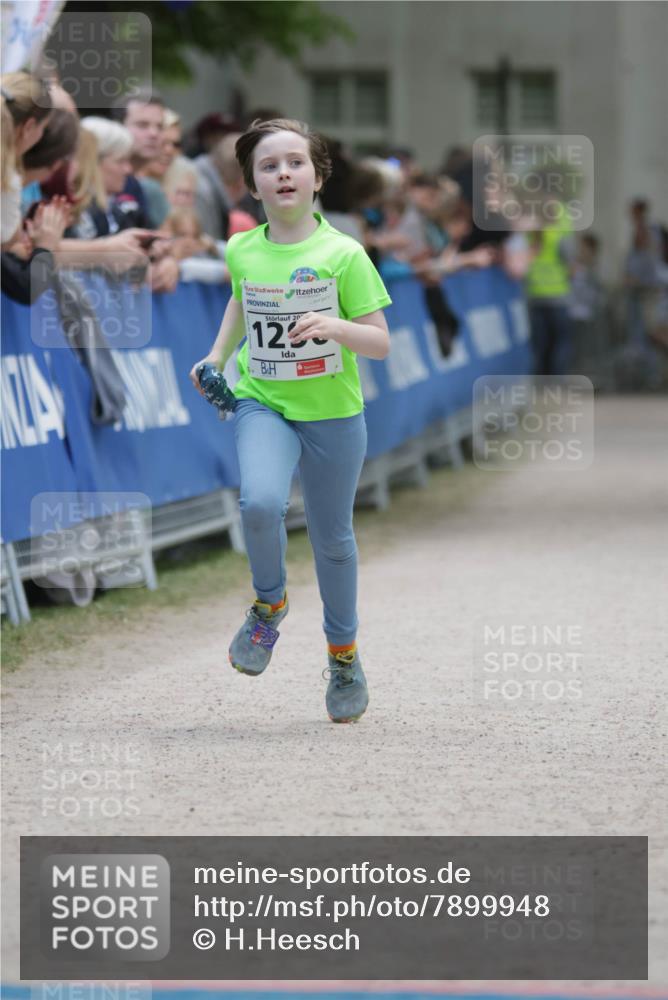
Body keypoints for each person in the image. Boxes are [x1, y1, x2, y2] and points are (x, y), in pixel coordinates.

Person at [189, 117, 392, 723]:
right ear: (251, 185)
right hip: (263, 398)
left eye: (295, 162)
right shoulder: (242, 247)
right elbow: (241, 296)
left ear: (318, 176)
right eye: (269, 166)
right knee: (259, 504)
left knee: (332, 541)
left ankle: (344, 656)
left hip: (331, 410)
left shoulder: (344, 254)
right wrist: (217, 356)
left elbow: (380, 343)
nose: (283, 173)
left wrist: (335, 327)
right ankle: (269, 607)